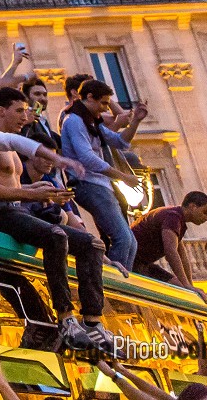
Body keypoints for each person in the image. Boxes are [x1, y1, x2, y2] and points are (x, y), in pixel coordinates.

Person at [0, 95, 113, 354]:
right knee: (56, 235)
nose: (26, 116)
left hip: (16, 211)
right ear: (1, 110)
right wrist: (31, 194)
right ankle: (66, 317)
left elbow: (10, 185)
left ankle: (92, 321)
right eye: (19, 110)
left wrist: (37, 189)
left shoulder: (10, 146)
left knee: (91, 243)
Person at [61, 79, 145, 270]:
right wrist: (123, 177)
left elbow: (120, 141)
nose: (105, 109)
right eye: (103, 103)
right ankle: (112, 285)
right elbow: (87, 157)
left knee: (130, 242)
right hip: (88, 184)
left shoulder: (91, 121)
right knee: (122, 239)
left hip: (100, 186)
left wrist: (136, 122)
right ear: (89, 97)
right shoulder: (74, 120)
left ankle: (120, 283)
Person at [130, 192, 207, 293]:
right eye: (205, 212)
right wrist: (186, 285)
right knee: (179, 291)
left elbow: (182, 255)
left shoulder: (177, 218)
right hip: (133, 262)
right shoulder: (173, 217)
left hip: (144, 264)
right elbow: (171, 252)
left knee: (182, 289)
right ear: (192, 206)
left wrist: (190, 285)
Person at [20, 77, 60, 149]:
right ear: (26, 97)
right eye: (37, 94)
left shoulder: (42, 119)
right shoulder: (24, 120)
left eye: (45, 95)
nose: (42, 98)